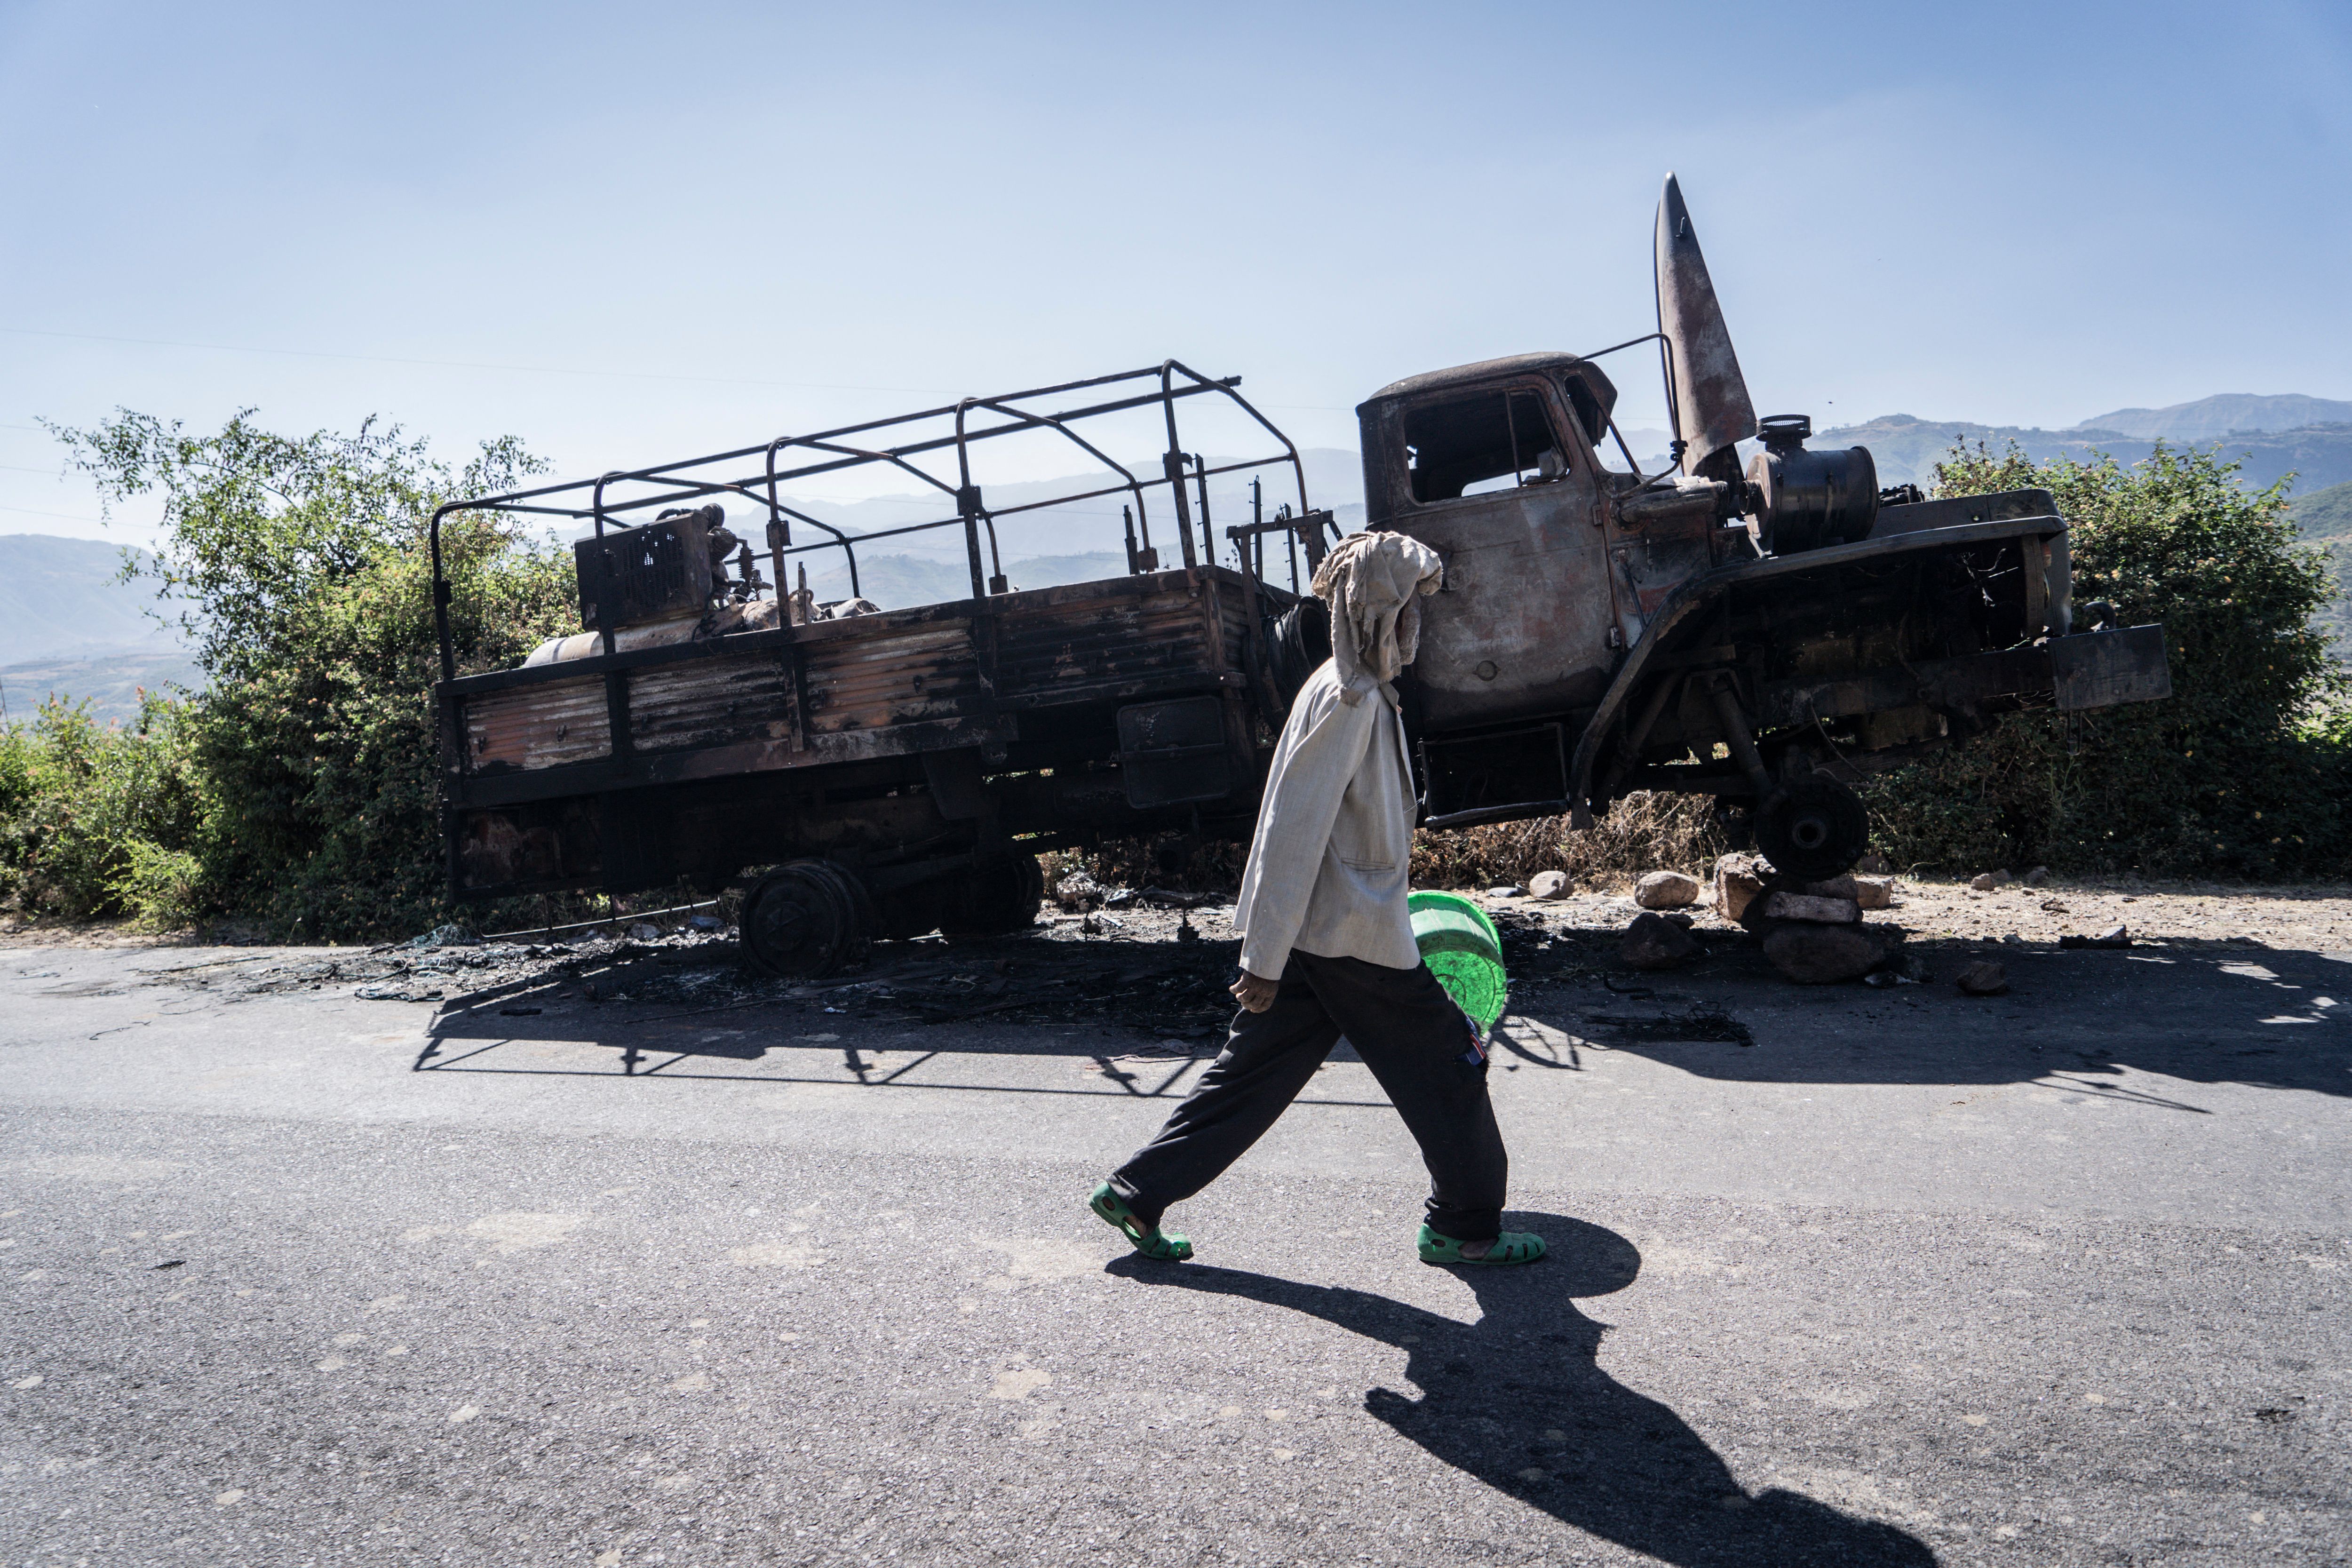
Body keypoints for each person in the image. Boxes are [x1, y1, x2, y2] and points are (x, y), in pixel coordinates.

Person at [1089, 531, 1545, 1268]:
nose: (1418, 627)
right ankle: (1464, 1226)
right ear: (1375, 612)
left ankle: (1136, 1189)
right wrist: (1262, 958)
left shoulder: (1343, 686)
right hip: (1353, 937)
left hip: (1326, 932)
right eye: (1407, 609)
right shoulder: (1351, 699)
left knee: (1252, 1072)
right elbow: (1289, 833)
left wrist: (1278, 954)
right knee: (1455, 1066)